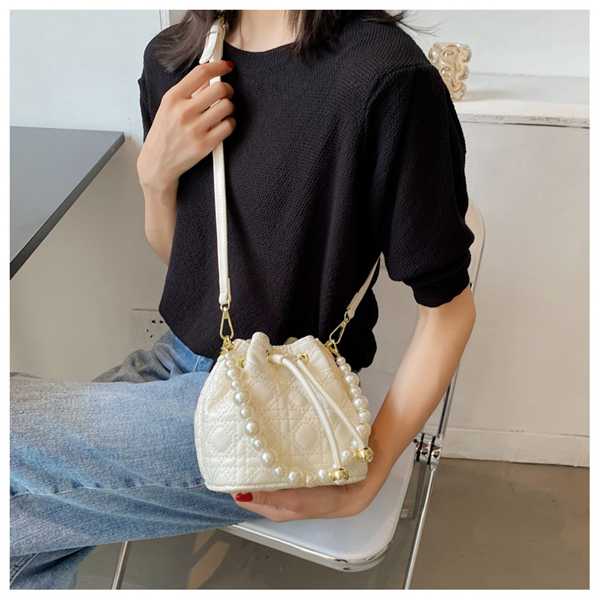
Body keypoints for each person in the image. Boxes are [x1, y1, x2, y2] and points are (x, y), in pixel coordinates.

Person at [10, 9, 477, 589]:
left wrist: (367, 475)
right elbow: (190, 265)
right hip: (175, 360)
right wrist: (155, 180)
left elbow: (449, 312)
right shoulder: (176, 62)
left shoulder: (385, 79)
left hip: (294, 402)